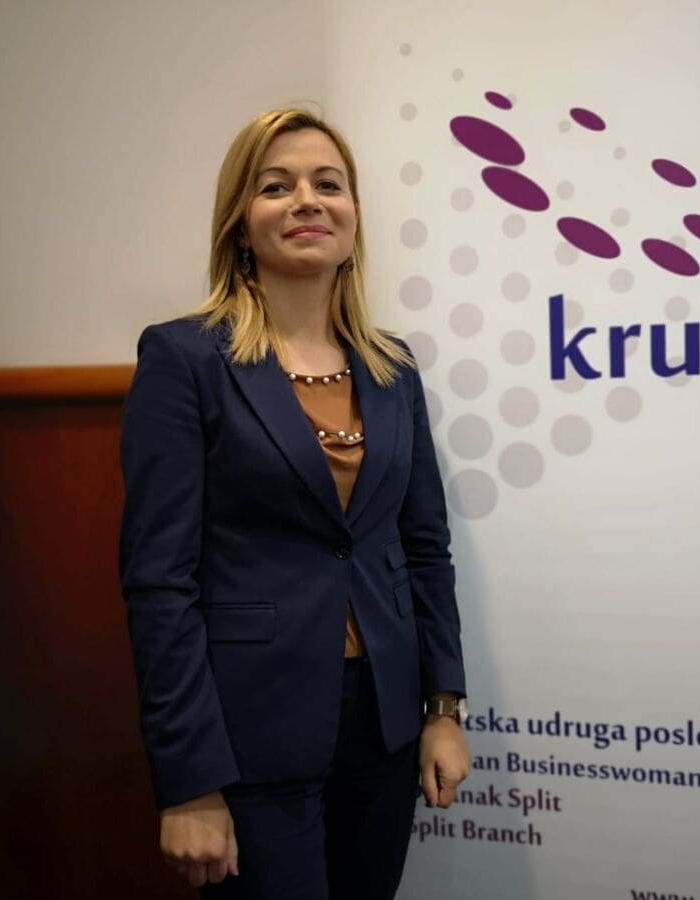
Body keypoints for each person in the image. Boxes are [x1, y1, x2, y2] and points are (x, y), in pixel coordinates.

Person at [118, 107, 471, 899]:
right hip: (250, 739)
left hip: (383, 730)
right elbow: (159, 583)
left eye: (328, 184)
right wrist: (189, 780)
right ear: (241, 222)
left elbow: (425, 549)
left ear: (354, 216)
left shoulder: (393, 368)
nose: (307, 200)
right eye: (276, 186)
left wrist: (443, 708)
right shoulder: (183, 359)